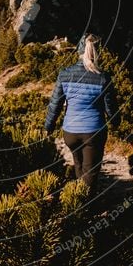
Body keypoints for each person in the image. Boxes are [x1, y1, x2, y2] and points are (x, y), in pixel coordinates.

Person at [44, 33, 116, 196]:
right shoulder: (103, 78)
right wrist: (116, 122)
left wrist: (48, 126)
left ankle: (76, 201)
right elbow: (110, 108)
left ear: (78, 51)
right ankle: (86, 206)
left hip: (70, 132)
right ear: (97, 53)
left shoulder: (64, 74)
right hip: (93, 132)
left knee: (79, 166)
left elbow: (55, 104)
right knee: (90, 172)